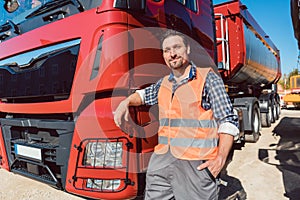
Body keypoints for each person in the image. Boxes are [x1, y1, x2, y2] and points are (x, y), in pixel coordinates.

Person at [114, 30, 239, 200]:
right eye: (166, 50)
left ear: (187, 49)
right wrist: (125, 102)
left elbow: (228, 120)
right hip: (162, 161)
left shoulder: (207, 78)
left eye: (176, 47)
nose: (172, 54)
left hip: (195, 165)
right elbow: (143, 95)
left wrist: (220, 159)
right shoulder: (164, 83)